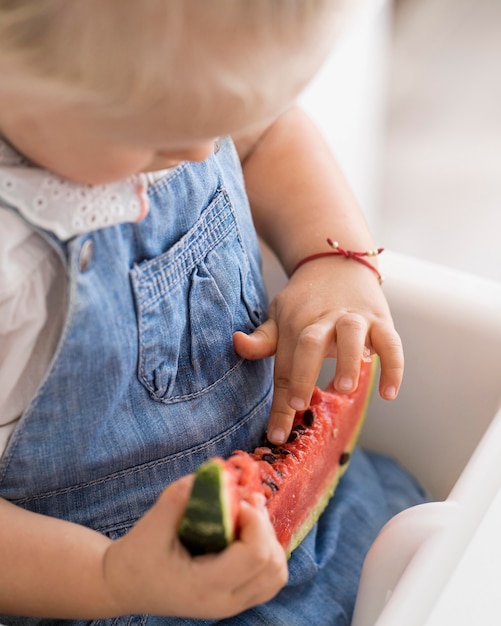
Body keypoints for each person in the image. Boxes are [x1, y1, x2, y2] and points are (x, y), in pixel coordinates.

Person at [0, 1, 426, 624]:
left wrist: (331, 257)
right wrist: (110, 577)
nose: (202, 148)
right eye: (155, 130)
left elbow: (269, 132)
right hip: (104, 593)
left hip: (325, 523)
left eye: (226, 121)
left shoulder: (156, 98)